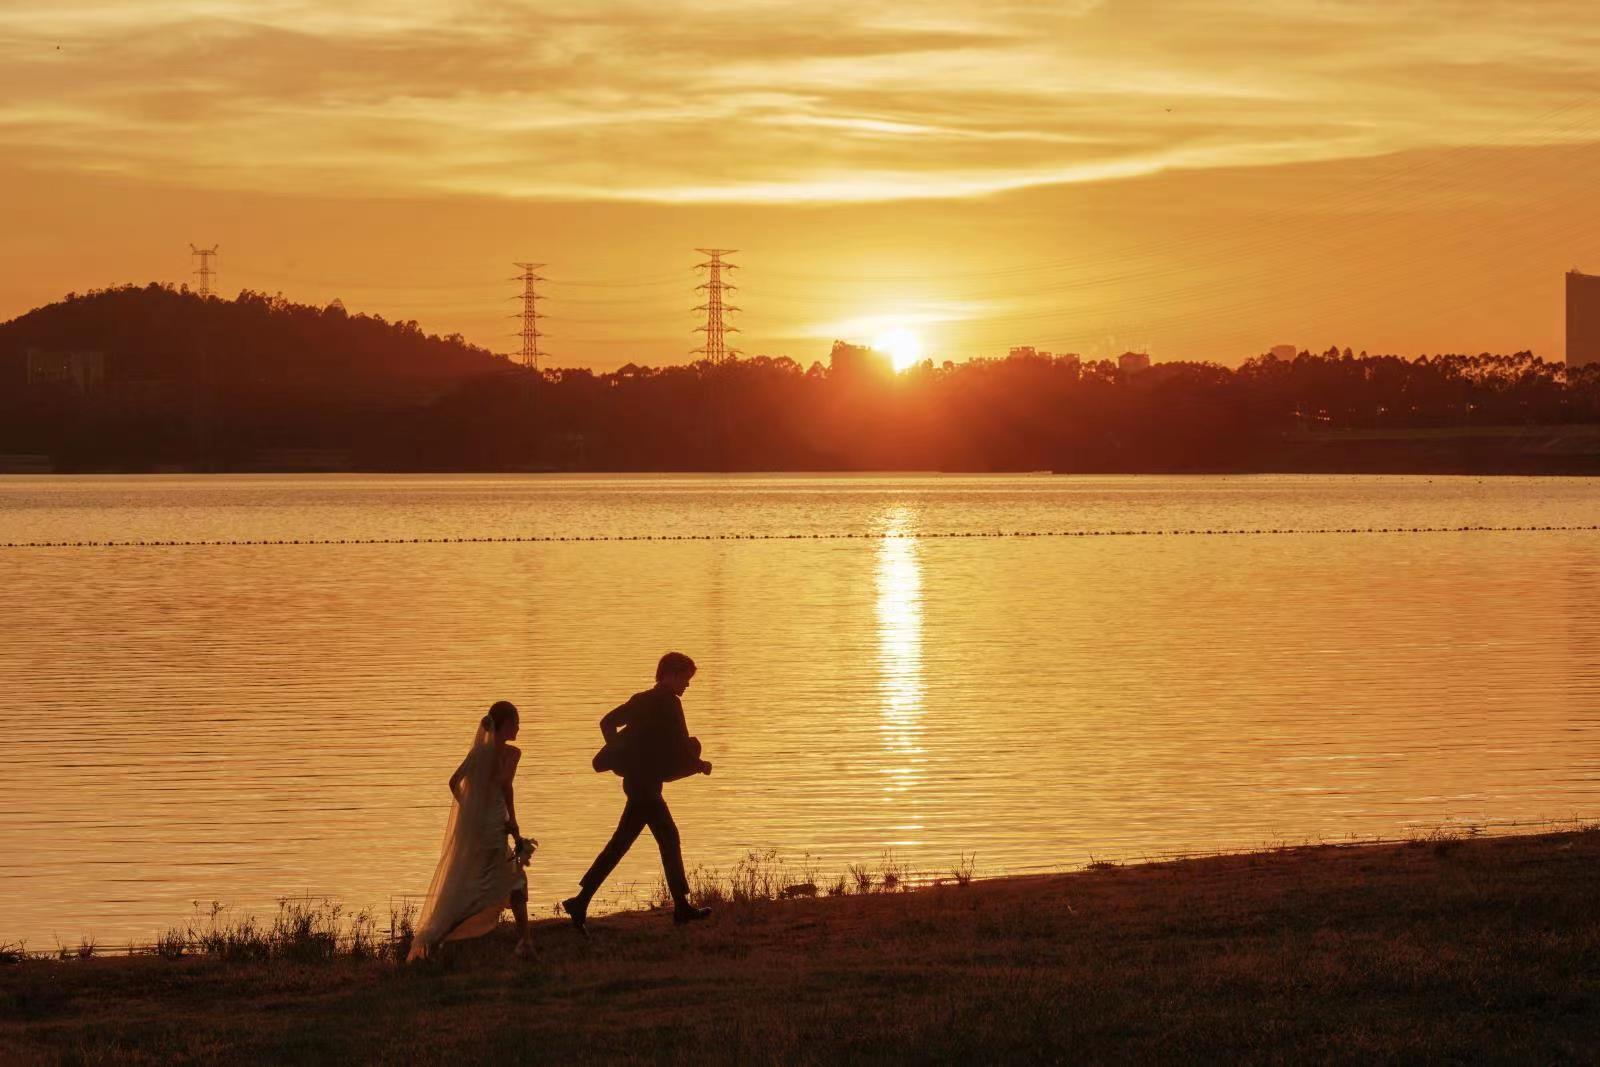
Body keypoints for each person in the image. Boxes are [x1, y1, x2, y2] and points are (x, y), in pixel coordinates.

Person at [562, 652, 713, 930]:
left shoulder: (641, 700)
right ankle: (681, 908)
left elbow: (607, 722)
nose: (687, 685)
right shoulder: (670, 704)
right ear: (670, 674)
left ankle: (581, 902)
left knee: (624, 842)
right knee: (667, 837)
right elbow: (680, 746)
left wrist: (620, 754)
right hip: (646, 787)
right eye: (685, 679)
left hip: (636, 782)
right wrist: (700, 764)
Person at [408, 700, 536, 961]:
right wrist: (481, 814)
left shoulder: (504, 754)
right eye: (516, 723)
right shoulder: (500, 755)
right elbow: (461, 783)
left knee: (508, 882)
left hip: (495, 826)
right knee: (495, 886)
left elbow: (464, 784)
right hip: (489, 830)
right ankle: (436, 937)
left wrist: (507, 823)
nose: (519, 728)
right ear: (505, 725)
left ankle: (525, 942)